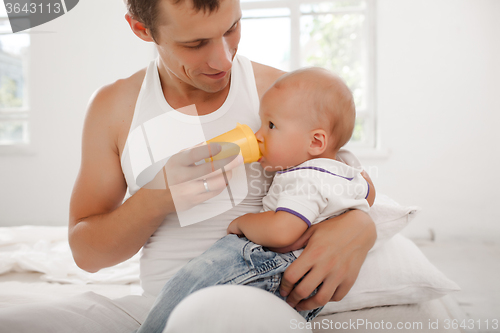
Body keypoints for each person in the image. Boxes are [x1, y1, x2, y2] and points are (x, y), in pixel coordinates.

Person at [0, 0, 376, 332]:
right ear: (142, 29)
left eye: (232, 28)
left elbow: (349, 184)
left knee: (210, 316)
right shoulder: (114, 108)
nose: (223, 59)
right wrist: (156, 199)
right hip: (156, 307)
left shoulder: (281, 95)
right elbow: (87, 254)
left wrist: (359, 226)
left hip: (252, 300)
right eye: (195, 44)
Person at [136, 67, 376, 333]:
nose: (259, 135)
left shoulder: (305, 178)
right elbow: (369, 193)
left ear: (316, 141)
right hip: (300, 280)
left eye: (271, 126)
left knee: (194, 280)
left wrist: (242, 223)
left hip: (270, 263)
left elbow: (283, 231)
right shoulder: (345, 166)